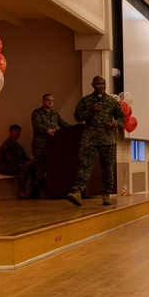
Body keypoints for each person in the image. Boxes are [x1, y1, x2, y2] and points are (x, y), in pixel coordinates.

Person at [66, 76, 125, 207]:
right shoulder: (86, 101)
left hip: (107, 139)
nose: (101, 86)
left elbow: (121, 117)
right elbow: (77, 117)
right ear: (93, 85)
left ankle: (106, 194)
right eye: (98, 83)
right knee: (84, 166)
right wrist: (90, 111)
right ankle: (77, 192)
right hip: (90, 138)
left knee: (108, 168)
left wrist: (116, 123)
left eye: (103, 83)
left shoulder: (111, 101)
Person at [31, 93, 71, 197]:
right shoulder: (37, 113)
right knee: (40, 168)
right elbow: (37, 124)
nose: (50, 102)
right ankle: (38, 191)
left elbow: (64, 124)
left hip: (53, 147)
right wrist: (46, 130)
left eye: (52, 100)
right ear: (43, 101)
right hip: (40, 145)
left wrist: (74, 129)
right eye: (48, 100)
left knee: (52, 169)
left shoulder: (54, 114)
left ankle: (51, 190)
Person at [0, 124, 34, 198]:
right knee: (24, 167)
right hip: (5, 167)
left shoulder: (19, 147)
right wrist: (26, 163)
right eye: (16, 131)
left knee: (33, 167)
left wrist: (32, 162)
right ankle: (21, 192)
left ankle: (34, 191)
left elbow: (24, 158)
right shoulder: (6, 145)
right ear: (10, 132)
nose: (18, 133)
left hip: (16, 166)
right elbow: (11, 160)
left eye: (19, 131)